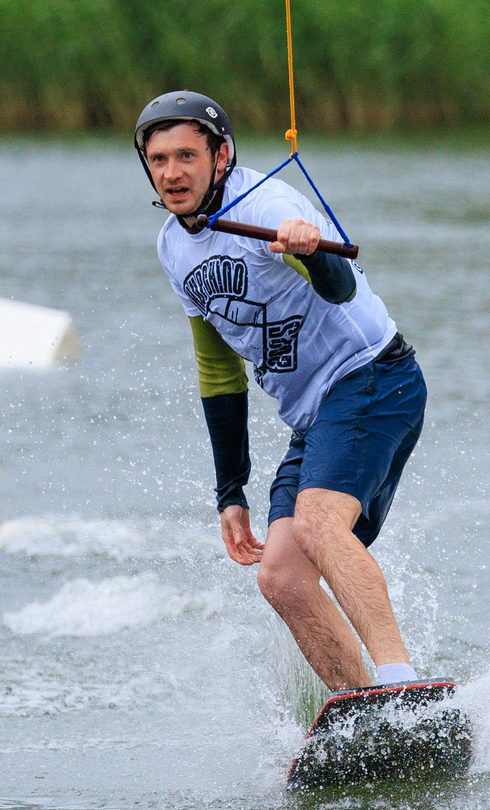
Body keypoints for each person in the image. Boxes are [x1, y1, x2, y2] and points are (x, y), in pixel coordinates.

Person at [136, 91, 429, 697]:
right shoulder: (173, 246)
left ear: (221, 155)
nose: (171, 173)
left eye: (186, 155)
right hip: (316, 413)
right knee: (282, 574)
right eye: (158, 159)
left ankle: (403, 687)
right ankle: (360, 708)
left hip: (373, 376)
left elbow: (343, 287)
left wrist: (310, 248)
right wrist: (229, 491)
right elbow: (217, 370)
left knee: (320, 525)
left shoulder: (266, 203)